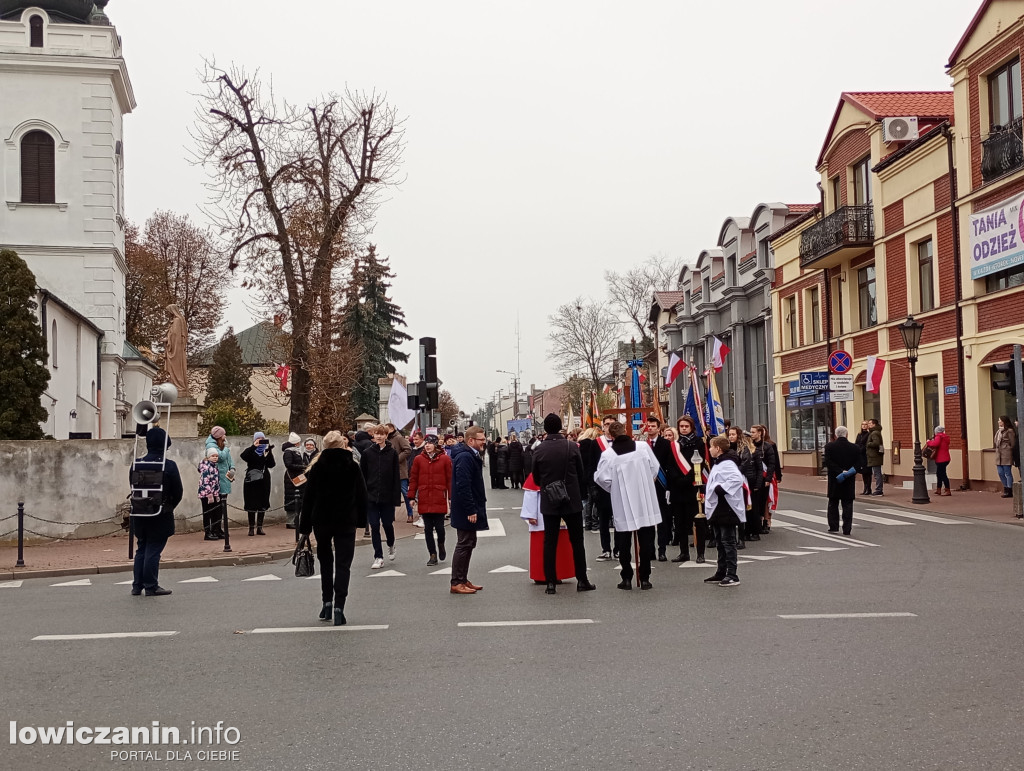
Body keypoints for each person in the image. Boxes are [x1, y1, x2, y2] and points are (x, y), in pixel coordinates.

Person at [298, 431, 368, 627]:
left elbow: (308, 499)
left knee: (326, 563)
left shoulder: (317, 468)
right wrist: (362, 521)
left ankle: (326, 602)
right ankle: (339, 607)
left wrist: (305, 526)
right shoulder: (352, 467)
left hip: (322, 520)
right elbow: (362, 496)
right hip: (346, 520)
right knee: (343, 565)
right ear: (342, 446)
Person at [531, 414, 596, 594]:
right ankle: (582, 580)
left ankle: (550, 582)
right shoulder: (571, 446)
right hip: (571, 498)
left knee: (549, 541)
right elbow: (581, 473)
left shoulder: (539, 449)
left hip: (549, 498)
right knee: (577, 541)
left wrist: (547, 485)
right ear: (560, 427)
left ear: (545, 429)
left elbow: (535, 477)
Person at [594, 420, 662, 591]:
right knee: (646, 539)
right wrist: (646, 480)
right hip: (643, 497)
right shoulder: (643, 447)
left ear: (610, 435)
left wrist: (615, 488)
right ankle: (645, 577)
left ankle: (626, 577)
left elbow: (602, 478)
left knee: (623, 540)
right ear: (626, 430)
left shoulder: (608, 455)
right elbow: (655, 467)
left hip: (622, 500)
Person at [129, 428, 183, 596]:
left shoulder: (136, 464)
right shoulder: (169, 465)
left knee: (142, 547)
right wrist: (169, 506)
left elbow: (132, 486)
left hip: (139, 511)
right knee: (153, 549)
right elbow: (178, 491)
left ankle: (137, 585)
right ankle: (151, 585)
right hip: (160, 511)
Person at [449, 426, 488, 594]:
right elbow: (463, 485)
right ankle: (457, 582)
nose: (484, 443)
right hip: (466, 509)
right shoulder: (465, 457)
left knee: (469, 542)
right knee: (464, 543)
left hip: (469, 507)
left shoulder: (470, 455)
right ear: (471, 440)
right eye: (481, 440)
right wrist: (471, 509)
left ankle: (463, 579)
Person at [703, 435, 747, 587]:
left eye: (711, 446)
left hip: (726, 508)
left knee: (728, 542)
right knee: (720, 542)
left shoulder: (728, 463)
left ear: (718, 449)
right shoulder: (719, 463)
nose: (709, 449)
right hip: (718, 508)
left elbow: (736, 479)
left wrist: (720, 489)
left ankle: (732, 574)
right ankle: (721, 571)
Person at [360, 424, 401, 569]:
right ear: (373, 435)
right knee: (374, 525)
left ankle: (391, 543)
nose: (379, 436)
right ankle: (378, 556)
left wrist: (396, 497)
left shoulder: (392, 453)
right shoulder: (367, 453)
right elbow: (362, 475)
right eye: (377, 434)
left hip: (387, 496)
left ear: (386, 436)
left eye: (382, 434)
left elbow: (396, 475)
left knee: (387, 524)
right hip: (371, 495)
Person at [408, 435, 452, 566]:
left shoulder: (444, 459)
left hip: (439, 496)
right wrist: (411, 496)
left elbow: (450, 479)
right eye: (426, 443)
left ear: (436, 445)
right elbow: (413, 478)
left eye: (430, 443)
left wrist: (451, 497)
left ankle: (441, 544)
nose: (427, 445)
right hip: (424, 496)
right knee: (427, 529)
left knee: (440, 527)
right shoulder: (418, 459)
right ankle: (432, 555)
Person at [675, 416, 707, 563]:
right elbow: (671, 464)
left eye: (686, 426)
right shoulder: (675, 445)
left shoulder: (698, 442)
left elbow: (700, 463)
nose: (683, 428)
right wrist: (677, 480)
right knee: (680, 522)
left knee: (698, 521)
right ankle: (684, 552)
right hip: (679, 488)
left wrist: (688, 479)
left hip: (694, 485)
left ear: (692, 427)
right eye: (681, 426)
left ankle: (700, 553)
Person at [644, 415, 674, 561]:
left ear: (658, 428)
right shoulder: (641, 444)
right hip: (645, 485)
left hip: (661, 484)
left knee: (662, 519)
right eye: (648, 426)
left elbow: (668, 464)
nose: (650, 428)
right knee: (648, 520)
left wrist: (667, 485)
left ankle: (662, 549)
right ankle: (649, 550)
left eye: (653, 426)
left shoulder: (665, 444)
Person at [823, 426, 861, 534]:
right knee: (848, 504)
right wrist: (848, 472)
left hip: (835, 479)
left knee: (833, 503)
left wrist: (840, 472)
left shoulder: (829, 447)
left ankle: (834, 526)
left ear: (836, 435)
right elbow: (859, 464)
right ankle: (847, 528)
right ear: (847, 434)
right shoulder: (855, 448)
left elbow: (828, 462)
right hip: (849, 480)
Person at [240, 431, 276, 536]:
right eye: (258, 439)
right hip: (252, 480)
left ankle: (260, 527)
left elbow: (271, 464)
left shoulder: (266, 450)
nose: (261, 441)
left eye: (262, 439)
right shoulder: (251, 451)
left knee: (262, 503)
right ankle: (251, 528)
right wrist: (253, 446)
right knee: (251, 503)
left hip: (264, 479)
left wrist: (268, 453)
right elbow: (243, 456)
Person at [727, 426, 758, 546]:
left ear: (738, 435)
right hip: (729, 480)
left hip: (740, 479)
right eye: (729, 434)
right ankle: (732, 538)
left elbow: (745, 463)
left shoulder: (744, 448)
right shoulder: (727, 448)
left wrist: (735, 474)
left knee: (740, 508)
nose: (731, 437)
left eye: (733, 434)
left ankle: (741, 538)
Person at [592, 416, 617, 558]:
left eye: (612, 424)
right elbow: (591, 467)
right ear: (603, 427)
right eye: (606, 424)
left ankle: (619, 549)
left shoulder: (623, 443)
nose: (609, 427)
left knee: (619, 520)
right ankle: (606, 549)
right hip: (602, 488)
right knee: (603, 521)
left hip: (619, 487)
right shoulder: (596, 444)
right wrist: (593, 488)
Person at [204, 426, 235, 538]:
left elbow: (229, 459)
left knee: (221, 507)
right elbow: (221, 457)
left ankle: (218, 528)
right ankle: (213, 529)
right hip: (217, 480)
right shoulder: (211, 446)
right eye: (223, 435)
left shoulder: (222, 446)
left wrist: (232, 468)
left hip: (224, 478)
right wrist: (226, 449)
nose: (225, 436)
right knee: (215, 507)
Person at [386, 423, 414, 523]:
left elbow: (408, 449)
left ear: (392, 428)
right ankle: (391, 515)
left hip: (400, 471)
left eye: (387, 428)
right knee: (390, 494)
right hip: (389, 472)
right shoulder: (386, 439)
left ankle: (410, 514)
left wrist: (397, 459)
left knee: (405, 493)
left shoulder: (398, 437)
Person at [197, 447, 222, 541]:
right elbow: (205, 481)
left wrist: (216, 494)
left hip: (213, 494)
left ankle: (213, 530)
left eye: (216, 456)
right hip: (206, 495)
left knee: (214, 513)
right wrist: (209, 494)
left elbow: (215, 482)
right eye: (213, 456)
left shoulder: (214, 467)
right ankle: (207, 532)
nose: (215, 458)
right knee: (207, 513)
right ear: (208, 457)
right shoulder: (206, 467)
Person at [282, 432, 305, 530]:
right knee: (291, 500)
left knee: (299, 500)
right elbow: (289, 464)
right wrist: (302, 467)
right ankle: (290, 521)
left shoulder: (296, 451)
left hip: (298, 476)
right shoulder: (289, 452)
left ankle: (296, 520)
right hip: (292, 478)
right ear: (296, 443)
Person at [926, 425, 952, 496]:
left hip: (941, 459)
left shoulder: (939, 436)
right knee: (939, 474)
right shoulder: (945, 437)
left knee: (942, 474)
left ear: (936, 431)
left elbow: (935, 444)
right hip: (946, 458)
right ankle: (939, 489)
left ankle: (947, 490)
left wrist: (928, 442)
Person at [866, 418, 885, 496]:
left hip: (874, 456)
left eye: (870, 423)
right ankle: (878, 489)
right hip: (876, 456)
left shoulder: (874, 433)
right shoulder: (876, 432)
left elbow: (876, 443)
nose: (869, 425)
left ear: (874, 424)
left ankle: (878, 490)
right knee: (877, 473)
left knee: (877, 473)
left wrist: (868, 444)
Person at [855, 421, 872, 496]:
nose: (864, 426)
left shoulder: (869, 434)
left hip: (866, 455)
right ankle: (865, 488)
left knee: (868, 472)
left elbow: (866, 445)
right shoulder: (859, 434)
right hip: (860, 456)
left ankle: (869, 488)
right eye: (863, 424)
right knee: (863, 472)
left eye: (866, 424)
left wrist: (861, 449)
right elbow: (856, 443)